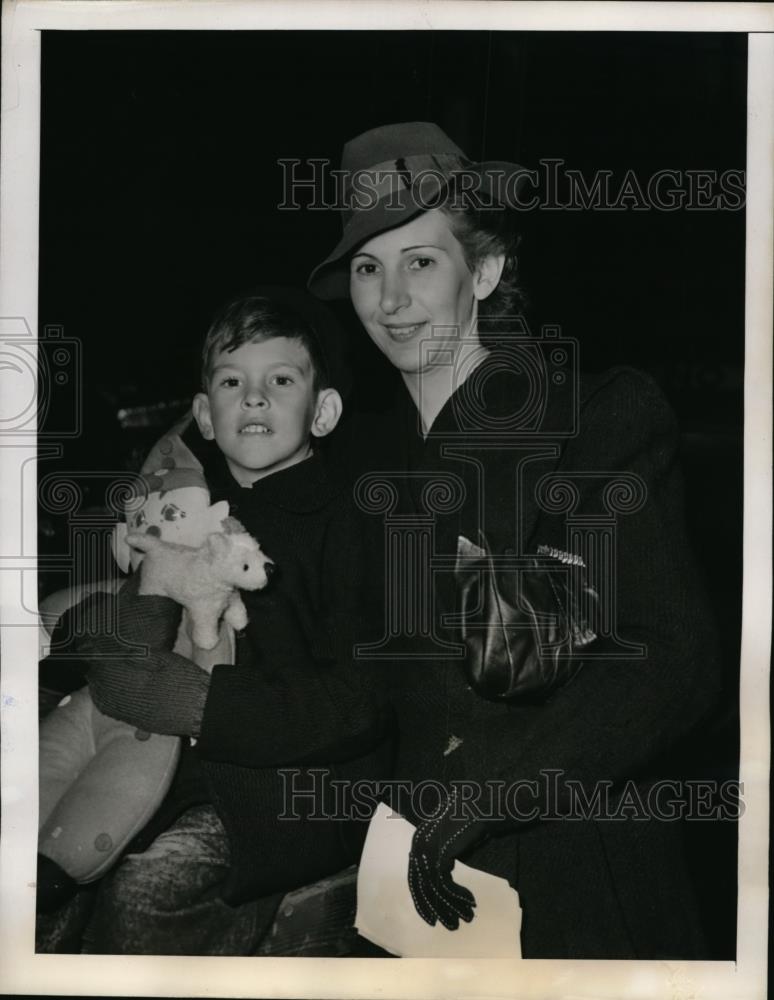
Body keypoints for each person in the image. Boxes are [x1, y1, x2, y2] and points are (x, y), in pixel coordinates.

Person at [306, 122, 722, 959]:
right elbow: (353, 695)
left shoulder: (593, 419)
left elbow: (675, 661)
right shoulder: (362, 468)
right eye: (366, 268)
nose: (389, 300)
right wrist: (190, 699)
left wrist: (497, 786)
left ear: (484, 271)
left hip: (568, 891)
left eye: (419, 261)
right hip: (416, 903)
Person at [38, 288, 393, 955]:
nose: (253, 398)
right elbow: (136, 620)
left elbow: (359, 704)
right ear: (204, 413)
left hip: (302, 789)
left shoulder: (353, 524)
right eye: (232, 382)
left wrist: (205, 707)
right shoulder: (189, 518)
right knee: (39, 873)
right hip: (177, 762)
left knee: (148, 890)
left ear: (323, 411)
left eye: (280, 380)